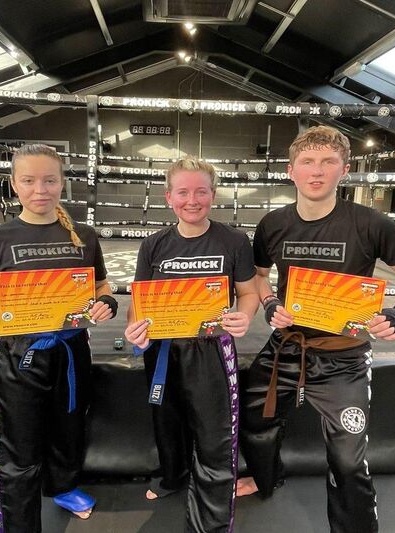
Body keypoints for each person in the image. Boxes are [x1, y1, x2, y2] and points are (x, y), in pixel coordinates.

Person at [236, 126, 395, 532]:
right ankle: (266, 478)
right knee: (255, 422)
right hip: (287, 345)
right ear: (291, 170)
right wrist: (271, 303)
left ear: (344, 169)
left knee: (346, 460)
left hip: (344, 355)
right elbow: (258, 275)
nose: (317, 171)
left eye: (328, 162)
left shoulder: (371, 223)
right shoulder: (272, 224)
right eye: (307, 162)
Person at [0, 144, 118, 532]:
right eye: (28, 181)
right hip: (18, 353)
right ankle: (20, 523)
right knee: (20, 444)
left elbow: (101, 283)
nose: (39, 189)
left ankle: (63, 486)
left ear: (62, 184)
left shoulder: (83, 235)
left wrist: (106, 301)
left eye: (49, 180)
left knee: (70, 426)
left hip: (71, 349)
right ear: (14, 184)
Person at [124, 156, 258, 532]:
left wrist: (244, 315)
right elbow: (139, 302)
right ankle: (172, 477)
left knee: (214, 428)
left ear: (213, 195)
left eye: (201, 191)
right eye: (183, 192)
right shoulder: (153, 245)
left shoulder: (233, 240)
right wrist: (133, 330)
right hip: (164, 350)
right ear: (169, 197)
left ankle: (214, 499)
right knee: (166, 420)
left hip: (212, 348)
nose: (192, 199)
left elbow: (248, 292)